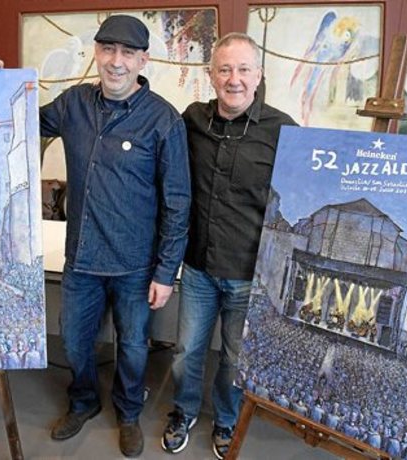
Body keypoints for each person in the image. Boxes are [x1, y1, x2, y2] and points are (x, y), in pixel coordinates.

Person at [0, 15, 190, 457]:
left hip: (135, 264)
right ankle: (85, 400)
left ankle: (128, 412)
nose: (116, 61)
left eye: (127, 53)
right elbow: (20, 119)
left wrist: (166, 272)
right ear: (96, 53)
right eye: (107, 49)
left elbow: (178, 202)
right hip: (82, 259)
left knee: (133, 346)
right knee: (73, 339)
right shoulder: (73, 104)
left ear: (143, 60)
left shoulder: (163, 121)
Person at [161, 33, 297, 459]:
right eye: (224, 69)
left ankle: (225, 418)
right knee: (186, 352)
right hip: (198, 267)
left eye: (243, 69)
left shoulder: (284, 131)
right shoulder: (191, 120)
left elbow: (299, 198)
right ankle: (184, 411)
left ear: (258, 75)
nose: (233, 79)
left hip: (248, 274)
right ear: (211, 75)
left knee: (235, 359)